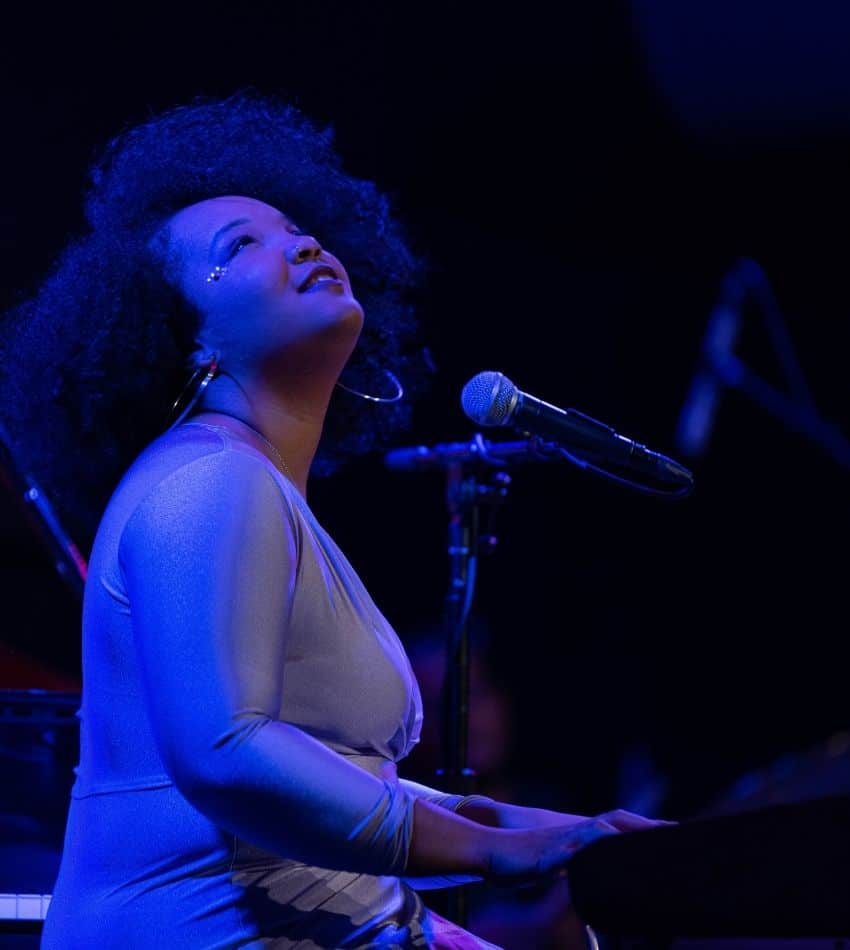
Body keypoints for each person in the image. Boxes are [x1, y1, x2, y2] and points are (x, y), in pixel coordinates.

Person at [0, 91, 665, 948]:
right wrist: (500, 854)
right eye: (242, 245)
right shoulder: (207, 482)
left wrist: (563, 831)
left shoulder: (251, 485)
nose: (301, 243)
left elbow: (352, 778)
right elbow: (226, 752)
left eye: (293, 227)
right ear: (189, 339)